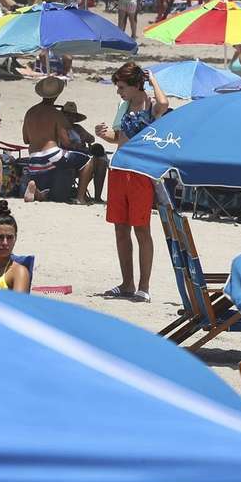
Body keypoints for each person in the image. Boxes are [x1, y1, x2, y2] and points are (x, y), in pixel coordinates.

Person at [94, 62, 168, 302]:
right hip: (118, 169)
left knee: (141, 229)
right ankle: (127, 283)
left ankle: (143, 286)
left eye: (122, 86)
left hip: (140, 172)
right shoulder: (123, 106)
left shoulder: (152, 107)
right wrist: (105, 135)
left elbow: (165, 104)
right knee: (120, 228)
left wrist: (153, 80)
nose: (119, 91)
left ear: (137, 85)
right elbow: (119, 137)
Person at [21, 76, 94, 204]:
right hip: (52, 155)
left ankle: (38, 192)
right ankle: (80, 198)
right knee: (87, 161)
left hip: (33, 160)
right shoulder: (56, 114)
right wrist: (77, 145)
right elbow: (65, 142)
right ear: (58, 94)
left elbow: (26, 139)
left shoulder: (30, 112)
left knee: (49, 181)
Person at [60, 101, 108, 202]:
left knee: (102, 161)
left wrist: (84, 136)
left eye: (72, 116)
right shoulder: (59, 128)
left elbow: (91, 138)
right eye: (68, 115)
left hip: (81, 157)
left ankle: (97, 197)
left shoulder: (77, 128)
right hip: (68, 158)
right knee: (91, 160)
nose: (70, 118)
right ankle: (80, 194)